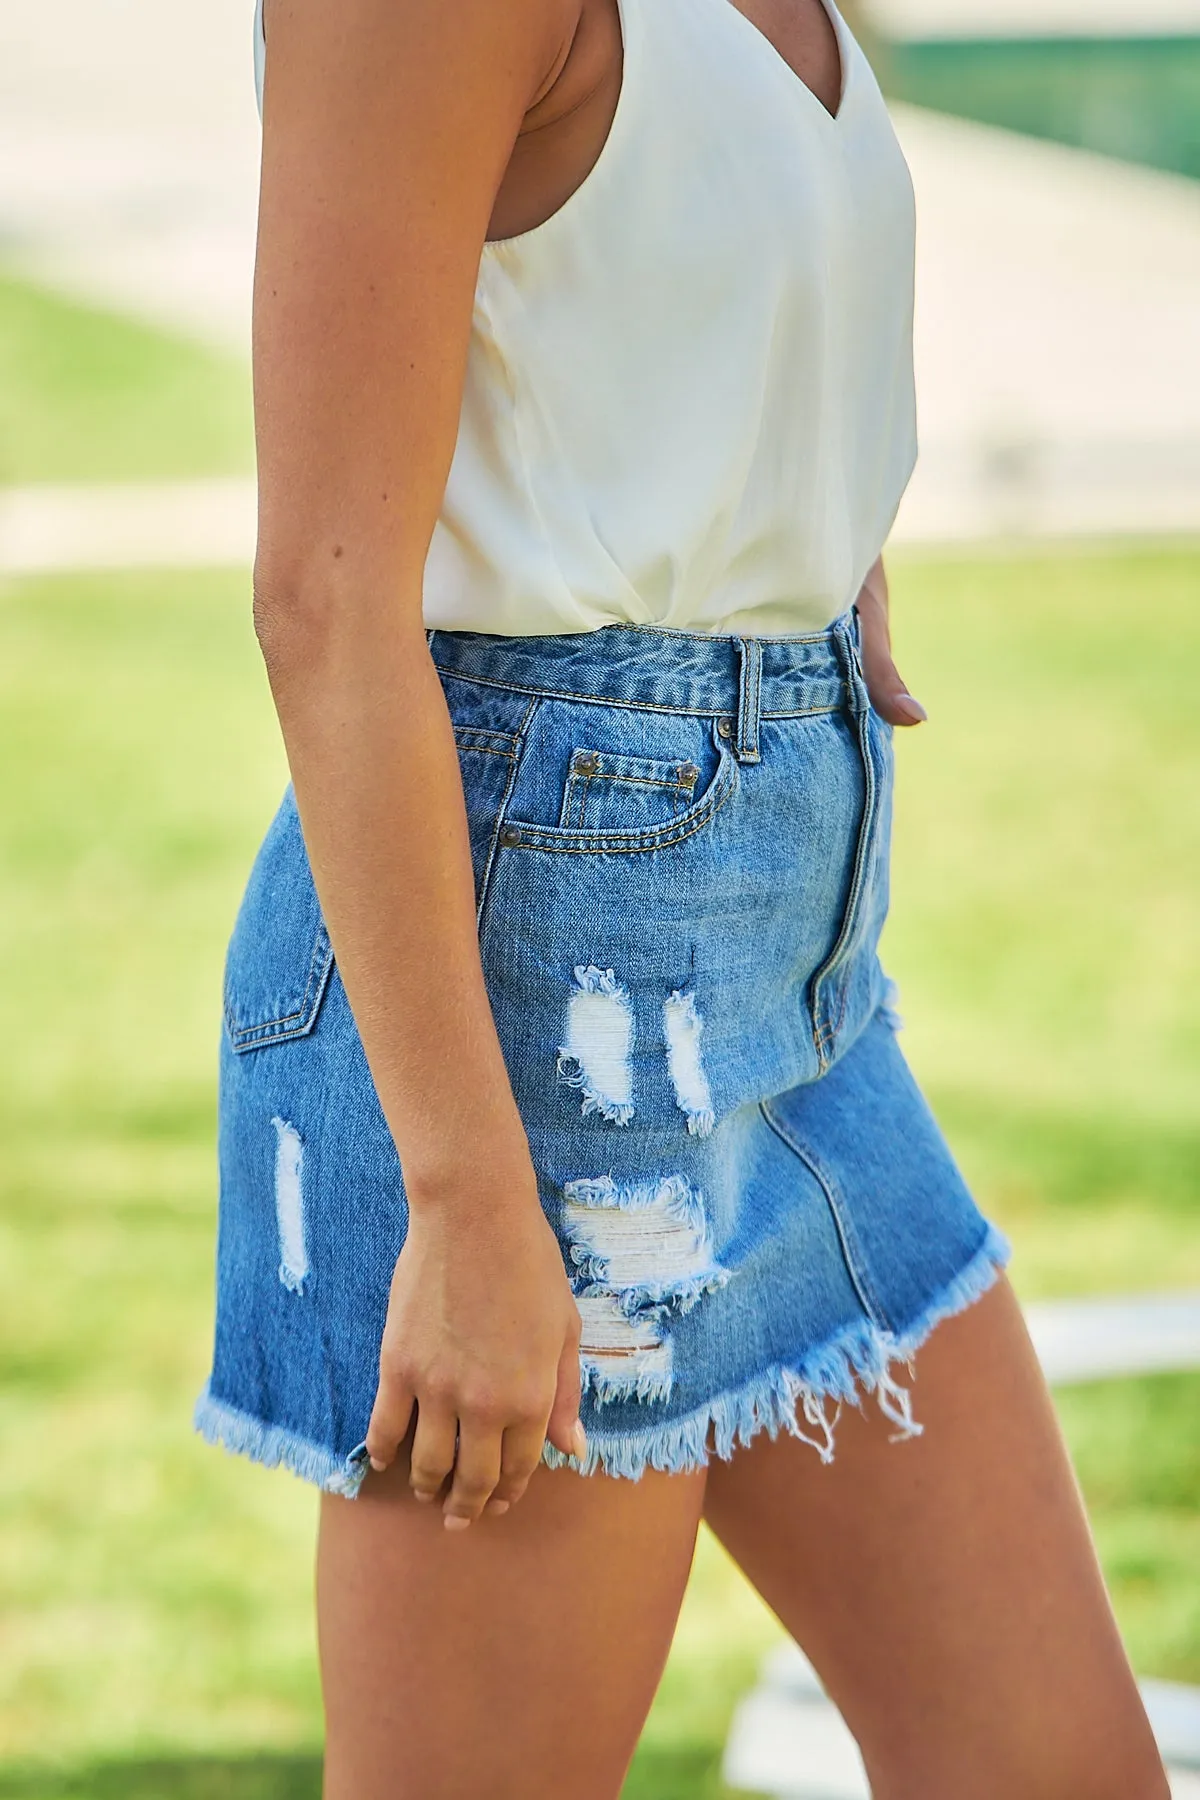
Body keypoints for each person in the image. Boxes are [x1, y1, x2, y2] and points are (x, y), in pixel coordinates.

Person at [194, 0, 1170, 1794]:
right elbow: (326, 599)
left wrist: (806, 540)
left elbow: (657, 281)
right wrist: (466, 1195)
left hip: (794, 975)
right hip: (546, 1011)